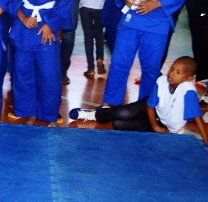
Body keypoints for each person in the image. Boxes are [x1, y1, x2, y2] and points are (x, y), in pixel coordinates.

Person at [7, 0, 72, 126]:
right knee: (22, 71)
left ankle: (49, 113)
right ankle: (24, 109)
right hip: (25, 25)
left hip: (47, 25)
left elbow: (65, 0)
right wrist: (22, 17)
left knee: (49, 74)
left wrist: (51, 24)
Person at [71, 57, 208, 146]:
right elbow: (150, 106)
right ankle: (96, 114)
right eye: (172, 68)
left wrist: (206, 143)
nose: (171, 73)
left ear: (188, 78)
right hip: (150, 108)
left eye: (178, 72)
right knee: (124, 113)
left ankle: (111, 113)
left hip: (162, 123)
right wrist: (155, 127)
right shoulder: (162, 81)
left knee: (119, 124)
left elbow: (198, 118)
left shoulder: (188, 91)